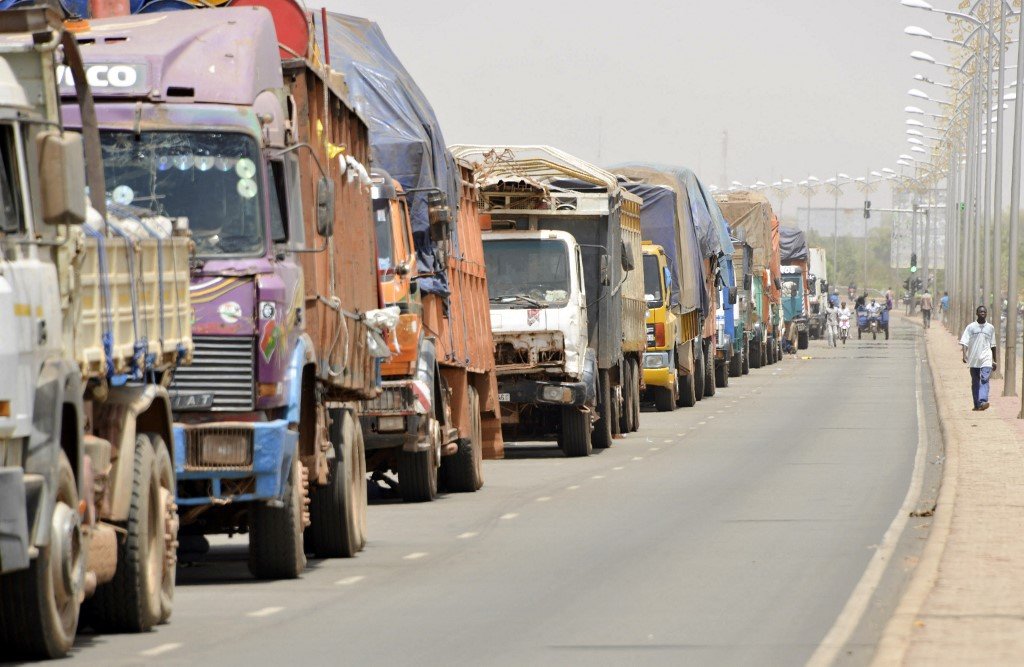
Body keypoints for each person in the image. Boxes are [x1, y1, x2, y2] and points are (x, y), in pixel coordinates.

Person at [960, 306, 997, 411]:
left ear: (986, 314)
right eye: (981, 312)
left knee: (985, 379)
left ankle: (983, 401)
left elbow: (993, 345)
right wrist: (964, 355)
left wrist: (995, 361)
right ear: (977, 313)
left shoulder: (990, 328)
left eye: (984, 312)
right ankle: (977, 404)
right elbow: (964, 342)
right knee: (975, 382)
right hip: (974, 359)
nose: (982, 313)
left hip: (986, 358)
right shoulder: (971, 327)